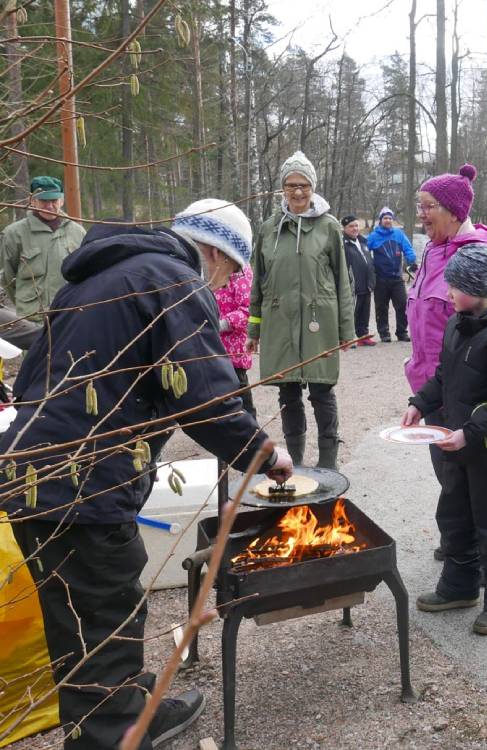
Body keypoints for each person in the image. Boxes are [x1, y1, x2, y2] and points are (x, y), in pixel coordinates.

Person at [0, 208, 293, 750]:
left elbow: (37, 373)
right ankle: (110, 736)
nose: (226, 284)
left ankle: (128, 705)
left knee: (84, 613)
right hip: (83, 482)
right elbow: (202, 393)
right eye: (231, 271)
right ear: (214, 252)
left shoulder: (98, 278)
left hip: (32, 475)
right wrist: (262, 452)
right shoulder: (173, 280)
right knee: (105, 610)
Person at [406, 163, 487, 561]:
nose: (421, 214)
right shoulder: (433, 250)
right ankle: (459, 546)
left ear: (454, 211)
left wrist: (475, 355)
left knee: (472, 479)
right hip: (434, 387)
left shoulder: (480, 255)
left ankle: (477, 554)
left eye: (428, 206)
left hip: (468, 392)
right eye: (419, 205)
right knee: (449, 477)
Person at [404, 244, 487, 635]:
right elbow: (444, 375)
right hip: (455, 444)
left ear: (477, 289)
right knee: (454, 516)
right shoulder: (458, 323)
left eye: (455, 287)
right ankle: (459, 586)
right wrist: (420, 403)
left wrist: (469, 433)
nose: (449, 293)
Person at [247, 151, 354, 470]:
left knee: (322, 393)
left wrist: (346, 332)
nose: (297, 192)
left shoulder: (330, 227)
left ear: (313, 187)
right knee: (288, 395)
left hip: (320, 323)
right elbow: (258, 282)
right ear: (282, 188)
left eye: (303, 185)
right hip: (280, 323)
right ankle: (295, 461)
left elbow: (342, 282)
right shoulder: (268, 229)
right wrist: (254, 329)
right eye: (290, 185)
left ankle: (328, 462)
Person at [171, 198, 258, 419]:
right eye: (231, 270)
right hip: (210, 348)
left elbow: (247, 309)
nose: (228, 280)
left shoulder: (169, 275)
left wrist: (220, 324)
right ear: (217, 254)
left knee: (237, 405)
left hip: (231, 350)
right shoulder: (179, 282)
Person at [1, 176, 85, 322]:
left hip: (70, 316)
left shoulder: (78, 232)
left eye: (54, 200)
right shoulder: (14, 234)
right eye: (44, 201)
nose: (50, 206)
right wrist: (27, 305)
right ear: (33, 201)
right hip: (32, 319)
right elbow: (8, 279)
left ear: (62, 201)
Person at [366, 207, 416, 343]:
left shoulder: (398, 234)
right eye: (385, 218)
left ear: (392, 220)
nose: (388, 220)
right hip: (381, 278)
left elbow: (407, 247)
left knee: (402, 304)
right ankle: (384, 333)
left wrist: (412, 260)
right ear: (380, 220)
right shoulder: (374, 236)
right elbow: (365, 251)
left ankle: (402, 332)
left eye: (390, 218)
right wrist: (367, 267)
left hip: (397, 277)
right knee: (381, 307)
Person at [342, 214, 376, 346]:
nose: (355, 228)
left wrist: (372, 280)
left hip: (366, 284)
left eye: (356, 225)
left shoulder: (363, 242)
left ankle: (363, 336)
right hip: (353, 285)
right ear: (344, 228)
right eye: (351, 226)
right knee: (351, 312)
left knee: (364, 312)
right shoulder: (343, 244)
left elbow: (369, 262)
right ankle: (348, 338)